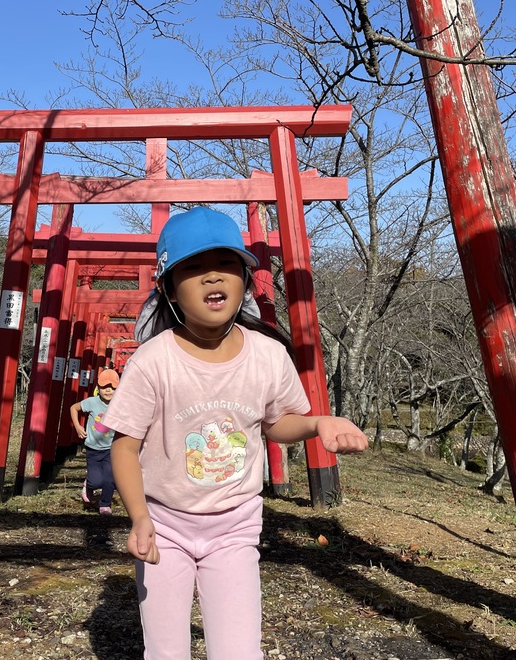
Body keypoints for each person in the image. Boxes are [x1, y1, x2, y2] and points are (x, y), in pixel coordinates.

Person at [102, 207, 368, 660]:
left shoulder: (267, 355)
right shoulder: (153, 361)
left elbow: (275, 424)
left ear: (245, 281)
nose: (213, 278)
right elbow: (124, 446)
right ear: (167, 287)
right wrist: (139, 517)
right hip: (164, 523)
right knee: (165, 651)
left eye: (227, 265)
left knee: (240, 651)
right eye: (194, 268)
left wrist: (318, 423)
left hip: (235, 524)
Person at [70, 368, 119, 515]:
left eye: (112, 388)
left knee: (110, 479)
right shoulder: (92, 402)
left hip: (110, 449)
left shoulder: (120, 404)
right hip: (93, 449)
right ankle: (89, 485)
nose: (108, 390)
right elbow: (74, 408)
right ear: (98, 388)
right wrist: (78, 426)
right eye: (104, 387)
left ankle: (105, 504)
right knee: (95, 481)